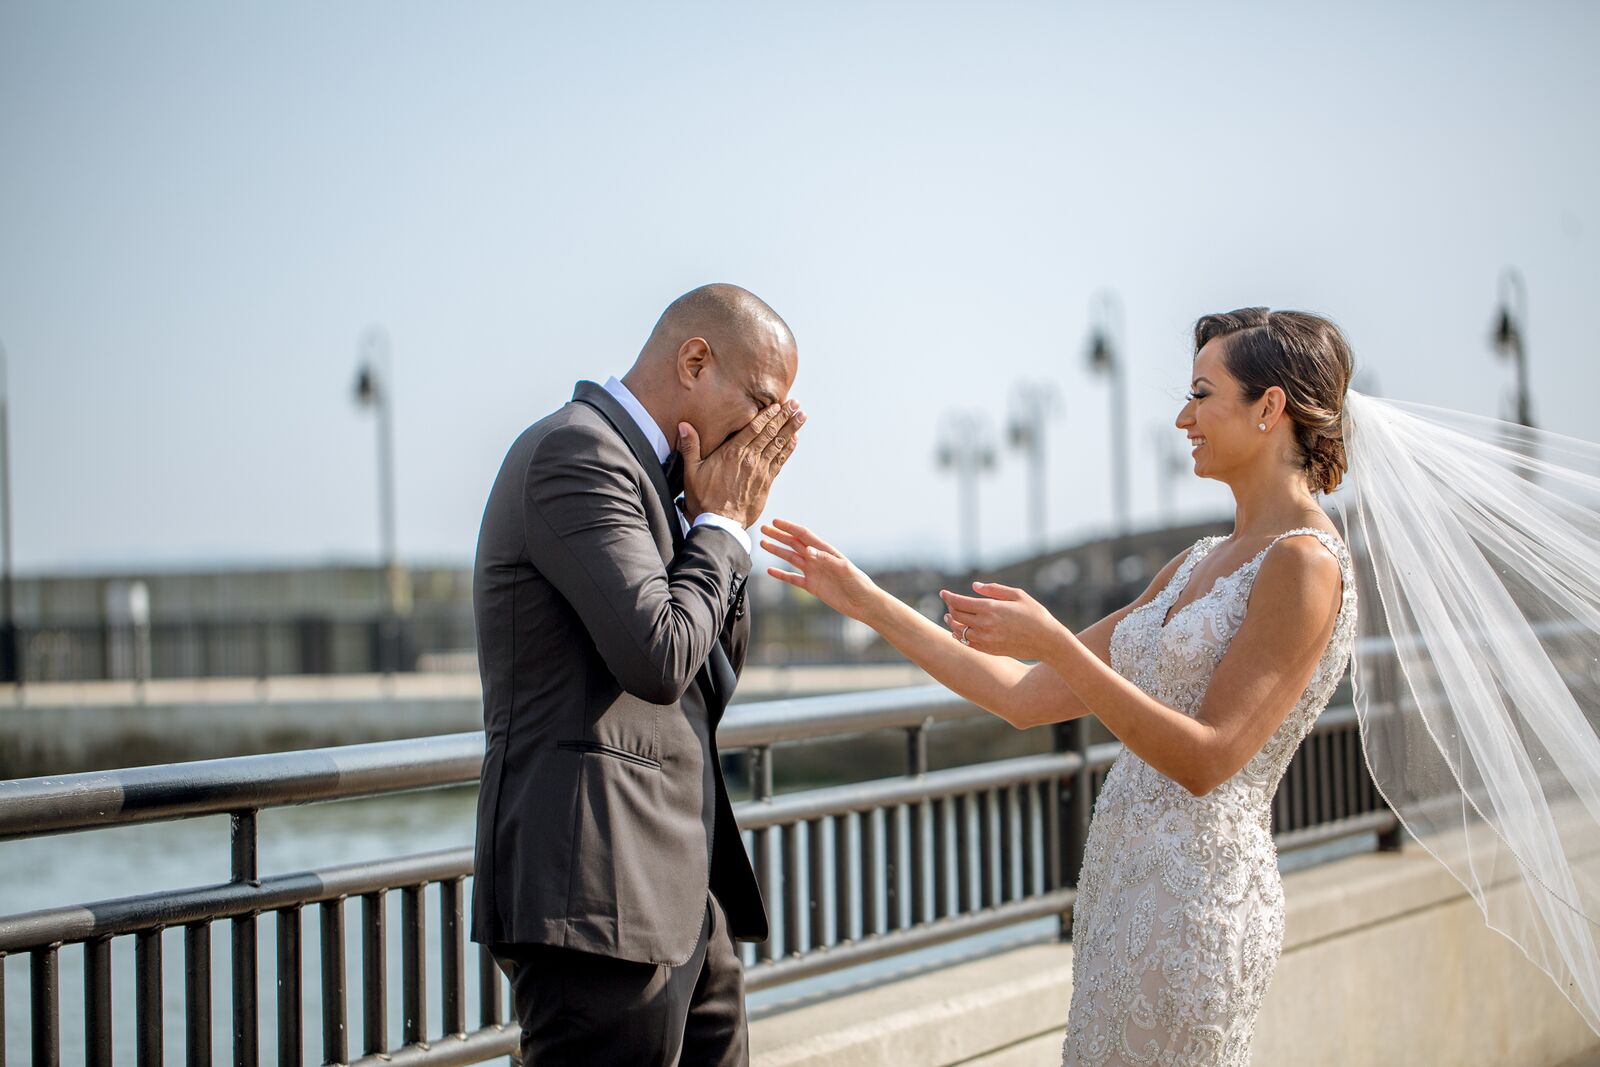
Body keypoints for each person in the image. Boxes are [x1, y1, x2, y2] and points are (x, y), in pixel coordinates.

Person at [762, 308, 1360, 1064]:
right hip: (1121, 890)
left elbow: (1210, 758)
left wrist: (1055, 641)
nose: (1184, 417)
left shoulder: (1305, 564)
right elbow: (1022, 695)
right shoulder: (1196, 560)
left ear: (1269, 407)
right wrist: (861, 598)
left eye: (1203, 395)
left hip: (1199, 905)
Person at [471, 283, 802, 1065]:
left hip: (683, 895)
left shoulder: (665, 482)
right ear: (695, 361)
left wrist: (707, 520)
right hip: (594, 896)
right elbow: (657, 656)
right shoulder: (576, 452)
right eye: (762, 401)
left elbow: (709, 673)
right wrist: (720, 528)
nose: (768, 433)